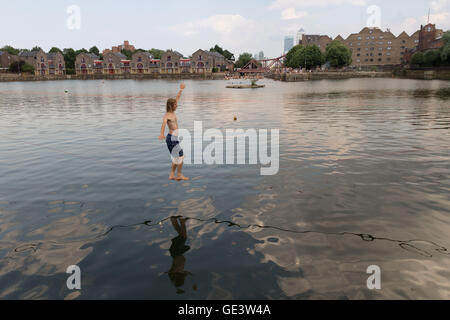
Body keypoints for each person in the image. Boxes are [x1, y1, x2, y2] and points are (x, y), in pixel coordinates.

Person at [158, 83, 189, 181]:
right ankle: (179, 175)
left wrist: (181, 89)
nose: (177, 105)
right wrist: (161, 134)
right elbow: (163, 125)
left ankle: (172, 175)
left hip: (174, 138)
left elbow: (177, 97)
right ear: (171, 106)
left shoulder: (173, 112)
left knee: (176, 158)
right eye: (175, 104)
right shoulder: (167, 115)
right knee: (181, 156)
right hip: (171, 139)